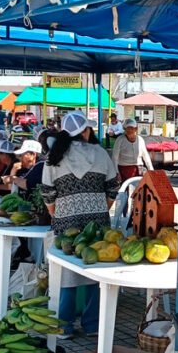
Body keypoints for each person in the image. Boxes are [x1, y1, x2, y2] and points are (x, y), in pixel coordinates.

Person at [42, 111, 119, 338]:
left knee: (66, 271)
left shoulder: (53, 157)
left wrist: (58, 213)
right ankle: (93, 324)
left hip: (66, 220)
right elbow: (114, 185)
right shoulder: (100, 153)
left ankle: (64, 326)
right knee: (95, 267)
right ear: (85, 131)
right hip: (97, 219)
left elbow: (48, 193)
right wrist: (101, 205)